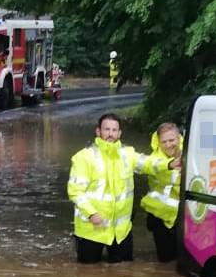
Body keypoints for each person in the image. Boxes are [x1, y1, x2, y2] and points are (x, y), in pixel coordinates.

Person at [67, 113, 178, 263]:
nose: (110, 134)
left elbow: (148, 164)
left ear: (119, 133)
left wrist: (169, 164)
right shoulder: (83, 157)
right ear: (98, 131)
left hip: (121, 232)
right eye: (107, 129)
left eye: (114, 130)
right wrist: (91, 213)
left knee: (124, 271)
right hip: (91, 229)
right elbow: (75, 191)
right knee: (88, 272)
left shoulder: (128, 154)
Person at [140, 123, 182, 263]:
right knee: (165, 260)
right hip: (160, 216)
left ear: (179, 138)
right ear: (159, 142)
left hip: (182, 215)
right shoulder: (155, 158)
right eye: (164, 141)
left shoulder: (188, 153)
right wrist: (171, 165)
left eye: (172, 140)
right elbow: (151, 165)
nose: (169, 145)